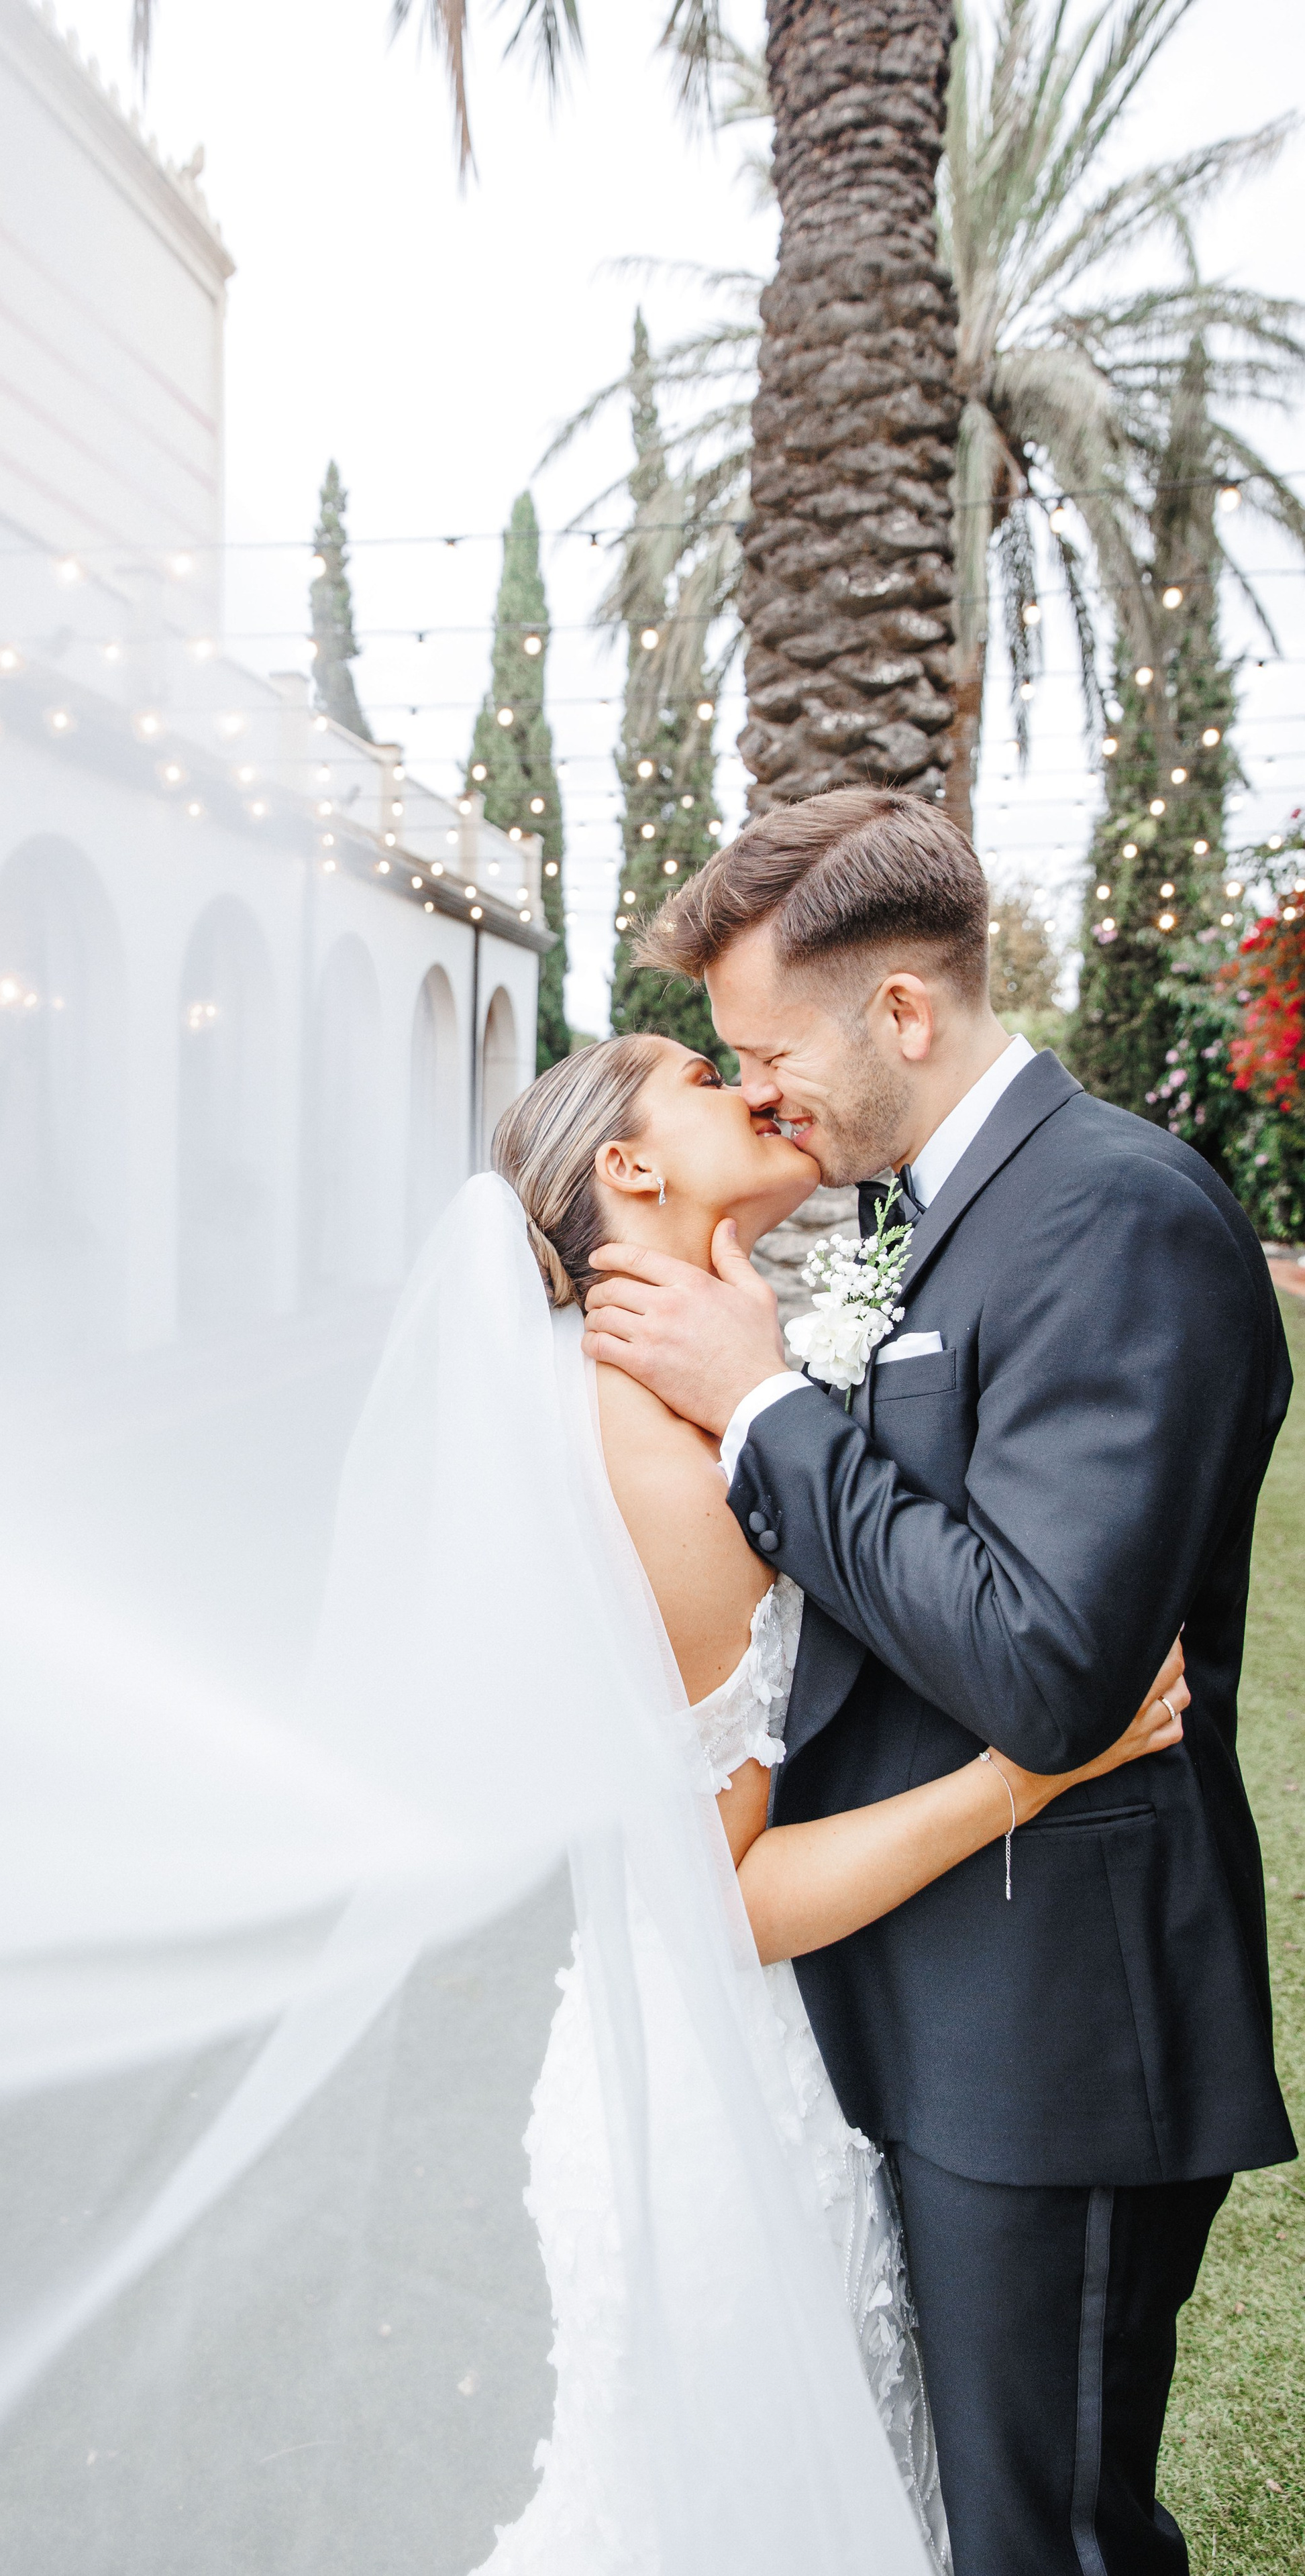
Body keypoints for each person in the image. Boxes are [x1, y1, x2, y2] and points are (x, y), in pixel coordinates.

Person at [580, 788, 1295, 2576]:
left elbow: (1050, 1671)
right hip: (915, 1997)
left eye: (768, 1052)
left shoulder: (1117, 1215)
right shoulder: (916, 1217)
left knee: (1031, 2544)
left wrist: (763, 1407)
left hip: (1050, 2024)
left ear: (903, 1013)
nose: (759, 1096)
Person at [468, 1033, 1184, 2576]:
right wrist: (1029, 1769)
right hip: (714, 2102)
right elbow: (714, 1893)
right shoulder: (651, 1461)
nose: (754, 1087)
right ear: (630, 1169)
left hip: (726, 2060)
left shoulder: (686, 1388)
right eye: (702, 1077)